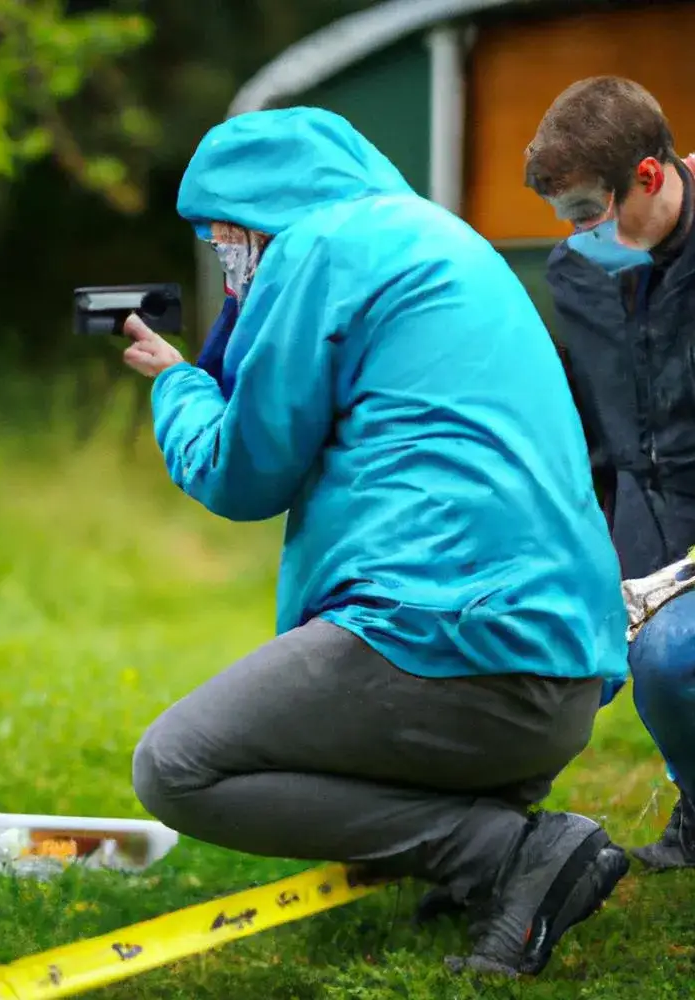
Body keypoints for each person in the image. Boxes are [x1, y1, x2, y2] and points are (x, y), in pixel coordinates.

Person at [121, 106, 630, 978]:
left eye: (221, 239)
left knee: (175, 768)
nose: (226, 260)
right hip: (563, 667)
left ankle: (508, 855)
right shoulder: (434, 236)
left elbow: (242, 474)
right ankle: (486, 844)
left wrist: (177, 384)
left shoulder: (317, 249)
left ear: (252, 218)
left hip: (458, 646)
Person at [524, 76, 695, 869]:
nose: (578, 233)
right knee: (541, 658)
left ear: (649, 176)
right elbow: (594, 416)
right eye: (565, 217)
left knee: (670, 658)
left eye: (590, 211)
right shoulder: (577, 273)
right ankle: (482, 844)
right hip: (635, 511)